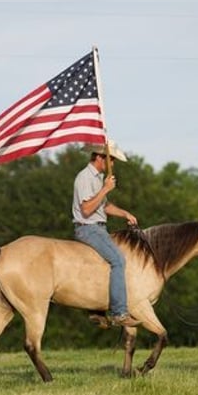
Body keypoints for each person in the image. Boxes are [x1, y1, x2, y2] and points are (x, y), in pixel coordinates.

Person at [72, 140, 139, 327]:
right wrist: (105, 189)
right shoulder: (85, 177)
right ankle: (119, 313)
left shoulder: (96, 179)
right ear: (101, 158)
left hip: (98, 228)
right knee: (118, 260)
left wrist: (125, 213)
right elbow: (86, 209)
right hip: (88, 228)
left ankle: (97, 309)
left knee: (109, 261)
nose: (113, 164)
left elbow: (104, 206)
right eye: (112, 160)